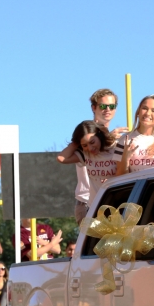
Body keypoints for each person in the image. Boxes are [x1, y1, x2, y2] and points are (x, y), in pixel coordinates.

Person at [57, 89, 127, 222]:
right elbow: (62, 157)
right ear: (94, 108)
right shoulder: (86, 131)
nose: (107, 109)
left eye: (112, 106)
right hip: (87, 202)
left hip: (113, 202)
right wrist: (79, 141)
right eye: (103, 106)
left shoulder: (116, 141)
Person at [57, 121, 119, 214]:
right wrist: (76, 142)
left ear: (99, 136)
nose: (90, 148)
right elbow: (61, 158)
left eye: (92, 142)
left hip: (118, 204)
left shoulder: (116, 148)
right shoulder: (86, 154)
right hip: (95, 208)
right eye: (85, 145)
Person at [115, 95, 154, 175]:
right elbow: (119, 176)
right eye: (144, 108)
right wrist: (125, 160)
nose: (148, 113)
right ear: (138, 112)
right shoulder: (125, 140)